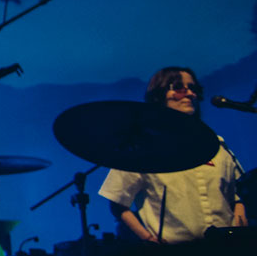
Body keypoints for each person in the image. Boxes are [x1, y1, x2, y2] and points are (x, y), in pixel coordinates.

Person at [101, 66, 248, 244]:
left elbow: (239, 193)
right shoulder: (142, 147)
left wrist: (239, 223)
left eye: (193, 88)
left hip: (227, 249)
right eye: (179, 88)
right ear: (160, 95)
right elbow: (117, 203)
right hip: (175, 254)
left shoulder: (217, 144)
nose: (190, 94)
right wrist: (148, 238)